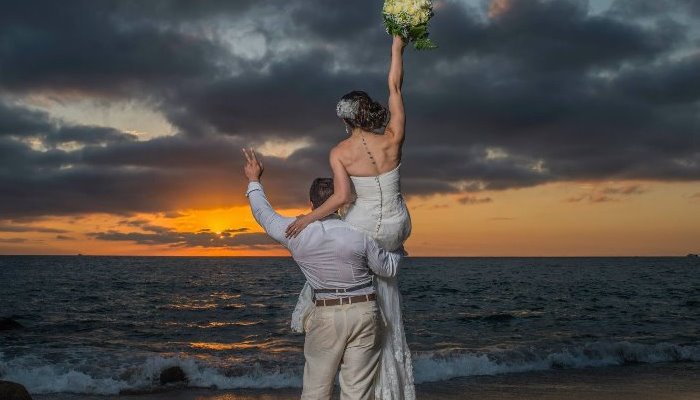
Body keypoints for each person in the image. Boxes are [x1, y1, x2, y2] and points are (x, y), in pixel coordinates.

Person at [285, 35, 414, 399]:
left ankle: (323, 313)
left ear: (345, 120)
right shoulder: (393, 136)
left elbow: (341, 197)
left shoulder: (340, 151)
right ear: (367, 113)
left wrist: (309, 219)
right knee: (378, 270)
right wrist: (397, 47)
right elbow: (395, 85)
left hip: (366, 227)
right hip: (398, 224)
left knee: (340, 244)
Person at [242, 148, 406, 400]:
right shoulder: (360, 235)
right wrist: (396, 247)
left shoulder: (295, 232)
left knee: (316, 392)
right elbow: (389, 268)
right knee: (358, 393)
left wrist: (254, 179)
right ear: (339, 203)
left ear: (311, 204)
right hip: (365, 312)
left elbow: (263, 214)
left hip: (327, 315)